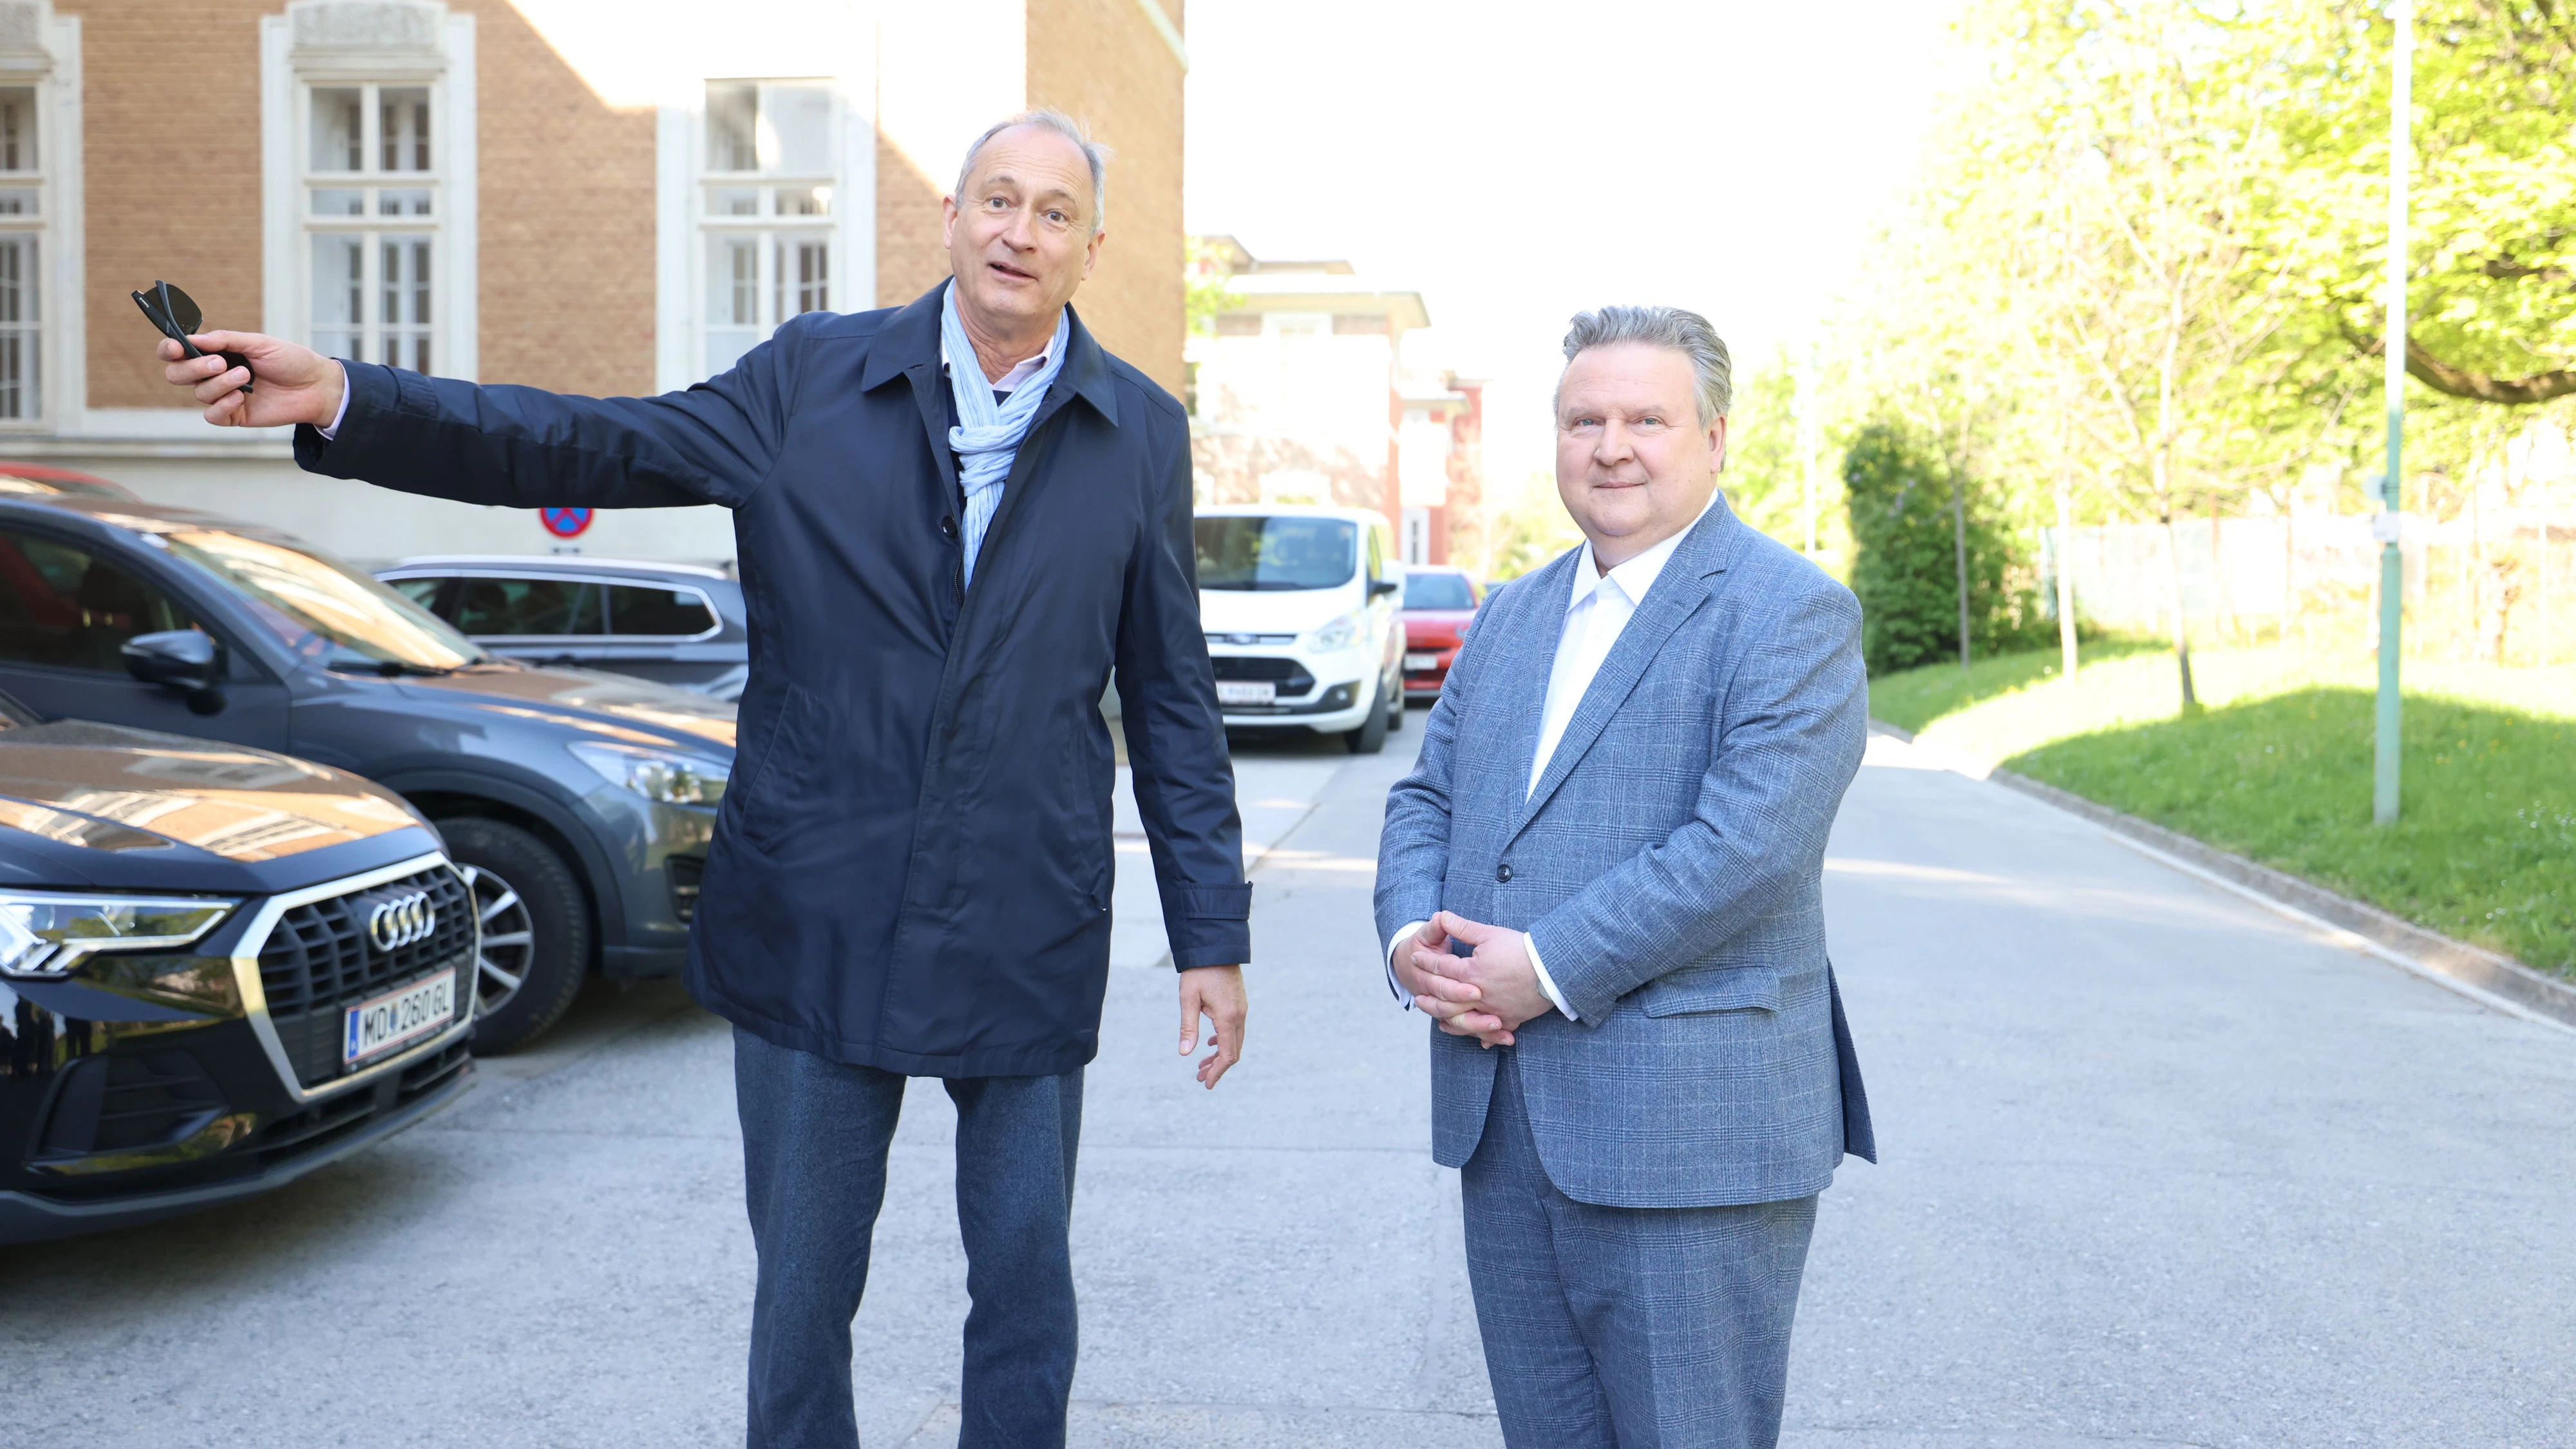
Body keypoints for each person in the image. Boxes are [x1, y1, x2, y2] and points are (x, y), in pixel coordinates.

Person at [158, 110, 1251, 1449]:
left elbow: (1171, 695)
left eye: (1053, 212)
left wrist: (1209, 933)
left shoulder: (1136, 429)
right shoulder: (812, 378)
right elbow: (581, 445)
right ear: (952, 216)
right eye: (996, 200)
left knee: (1023, 1282)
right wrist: (344, 395)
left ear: (1093, 244)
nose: (1018, 232)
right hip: (813, 916)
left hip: (1024, 918)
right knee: (801, 1297)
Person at [1374, 305, 1875, 1449]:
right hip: (1505, 1130)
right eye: (1584, 419)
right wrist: (1415, 945)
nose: (1612, 446)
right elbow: (1425, 801)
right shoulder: (1511, 615)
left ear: (1715, 437)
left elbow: (1744, 849)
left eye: (1647, 418)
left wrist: (1537, 968)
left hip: (1689, 1136)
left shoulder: (1789, 611)